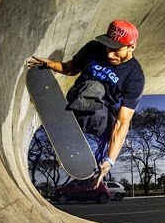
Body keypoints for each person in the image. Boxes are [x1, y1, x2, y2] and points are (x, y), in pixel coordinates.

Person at [27, 20, 145, 188]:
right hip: (78, 98)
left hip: (100, 114)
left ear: (132, 47)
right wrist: (50, 65)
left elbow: (123, 122)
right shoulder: (93, 49)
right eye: (108, 47)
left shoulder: (135, 77)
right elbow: (71, 68)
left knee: (114, 127)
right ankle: (72, 121)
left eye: (116, 50)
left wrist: (110, 160)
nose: (110, 54)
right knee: (94, 88)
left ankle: (96, 162)